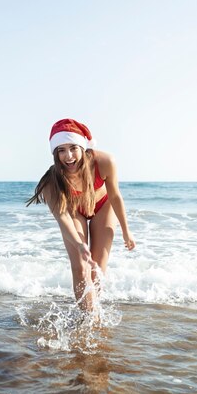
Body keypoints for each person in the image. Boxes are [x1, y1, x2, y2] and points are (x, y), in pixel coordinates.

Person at [26, 119, 136, 312]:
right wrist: (79, 244)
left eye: (73, 148)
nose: (68, 156)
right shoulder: (51, 183)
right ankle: (87, 317)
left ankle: (93, 316)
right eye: (61, 150)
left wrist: (127, 231)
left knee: (97, 270)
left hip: (103, 206)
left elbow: (115, 196)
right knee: (79, 266)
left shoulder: (104, 162)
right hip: (74, 212)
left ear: (83, 147)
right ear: (55, 153)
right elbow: (63, 218)